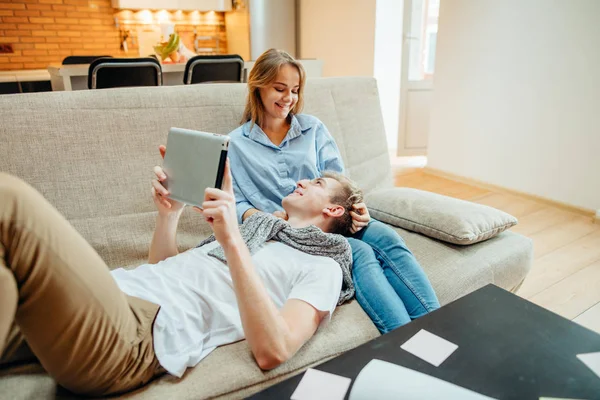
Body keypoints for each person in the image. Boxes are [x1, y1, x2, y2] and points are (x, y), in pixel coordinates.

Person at [0, 165, 362, 396]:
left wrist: (232, 241)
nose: (301, 181)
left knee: (9, 200)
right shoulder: (258, 230)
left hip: (137, 335)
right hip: (118, 293)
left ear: (333, 209)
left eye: (316, 182)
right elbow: (167, 269)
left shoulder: (323, 265)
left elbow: (275, 350)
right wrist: (168, 217)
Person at [226, 49, 441, 333]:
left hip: (332, 215)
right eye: (279, 89)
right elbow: (234, 200)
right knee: (359, 252)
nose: (288, 98)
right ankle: (403, 342)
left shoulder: (313, 128)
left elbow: (338, 179)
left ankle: (438, 329)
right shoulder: (235, 143)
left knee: (385, 235)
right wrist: (260, 216)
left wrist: (357, 206)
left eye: (295, 90)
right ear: (258, 86)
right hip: (291, 231)